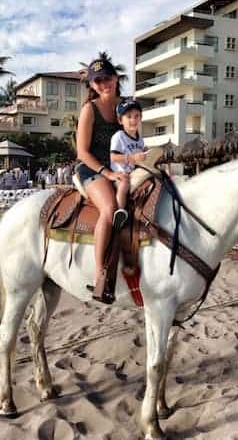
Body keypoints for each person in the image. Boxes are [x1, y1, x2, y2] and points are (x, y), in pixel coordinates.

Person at [75, 56, 125, 302]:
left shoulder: (126, 107)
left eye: (106, 78)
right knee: (110, 208)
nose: (103, 84)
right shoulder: (90, 109)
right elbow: (82, 152)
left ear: (115, 78)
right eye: (98, 81)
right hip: (92, 168)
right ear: (93, 86)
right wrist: (107, 172)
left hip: (121, 167)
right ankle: (100, 274)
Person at [109, 99, 146, 228]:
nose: (133, 120)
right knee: (124, 184)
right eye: (129, 117)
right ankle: (119, 211)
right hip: (120, 173)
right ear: (120, 120)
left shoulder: (140, 140)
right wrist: (132, 158)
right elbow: (113, 157)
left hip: (133, 172)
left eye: (137, 116)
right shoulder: (119, 136)